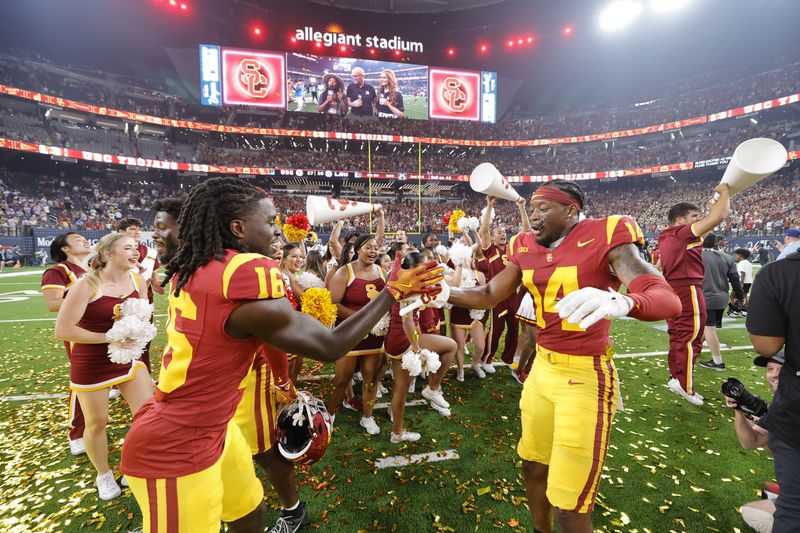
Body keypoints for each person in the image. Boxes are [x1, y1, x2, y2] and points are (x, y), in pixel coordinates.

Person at [119, 177, 441, 532]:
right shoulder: (243, 271)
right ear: (238, 227)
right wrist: (392, 293)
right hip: (176, 443)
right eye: (270, 221)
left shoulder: (197, 265)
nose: (277, 230)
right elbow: (330, 346)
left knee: (249, 513)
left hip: (214, 426)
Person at [444, 180, 681, 533]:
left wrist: (624, 301)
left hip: (586, 376)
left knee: (570, 503)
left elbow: (667, 298)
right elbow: (489, 293)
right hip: (542, 371)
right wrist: (443, 291)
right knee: (533, 466)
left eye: (544, 208)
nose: (534, 216)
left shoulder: (606, 234)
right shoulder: (523, 245)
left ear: (571, 210)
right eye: (533, 208)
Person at [54, 233, 154, 500]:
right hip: (91, 361)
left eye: (137, 248)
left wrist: (137, 333)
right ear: (108, 254)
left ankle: (133, 467)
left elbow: (144, 314)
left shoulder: (137, 280)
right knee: (97, 422)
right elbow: (63, 329)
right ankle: (103, 474)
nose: (135, 252)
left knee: (147, 416)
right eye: (128, 248)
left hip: (129, 357)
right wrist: (110, 337)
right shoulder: (86, 285)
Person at [658, 185, 731, 405]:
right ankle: (684, 384)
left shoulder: (668, 235)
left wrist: (712, 207)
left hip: (674, 288)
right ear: (680, 220)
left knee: (679, 335)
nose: (698, 220)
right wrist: (725, 191)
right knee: (691, 336)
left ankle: (677, 378)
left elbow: (707, 227)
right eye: (694, 216)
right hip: (687, 288)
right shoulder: (682, 233)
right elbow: (720, 216)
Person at [746, 246, 800, 533]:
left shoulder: (780, 273)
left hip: (795, 412)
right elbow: (751, 440)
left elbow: (766, 346)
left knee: (788, 511)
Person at [385, 252, 458, 438]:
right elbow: (407, 319)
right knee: (450, 346)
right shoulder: (409, 284)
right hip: (404, 338)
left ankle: (397, 430)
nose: (429, 269)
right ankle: (432, 389)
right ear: (415, 268)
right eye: (425, 266)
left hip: (393, 338)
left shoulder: (402, 279)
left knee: (400, 387)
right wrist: (418, 351)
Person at [327, 234, 388, 435]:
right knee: (342, 379)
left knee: (371, 378)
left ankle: (367, 417)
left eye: (376, 248)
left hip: (375, 335)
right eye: (368, 247)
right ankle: (331, 414)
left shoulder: (382, 271)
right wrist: (361, 318)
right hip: (350, 333)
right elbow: (334, 303)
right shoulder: (345, 272)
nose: (373, 251)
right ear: (358, 249)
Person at [41, 232, 92, 456]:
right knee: (82, 381)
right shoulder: (58, 270)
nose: (84, 240)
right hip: (79, 332)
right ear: (65, 248)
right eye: (77, 239)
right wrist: (83, 293)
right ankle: (77, 432)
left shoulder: (90, 269)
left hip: (101, 328)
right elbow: (52, 304)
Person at [724, 351, 783, 533]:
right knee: (750, 510)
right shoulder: (779, 406)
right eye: (770, 369)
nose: (774, 375)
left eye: (782, 370)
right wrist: (740, 410)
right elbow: (750, 442)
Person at [477, 196, 519, 371]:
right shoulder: (490, 250)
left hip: (513, 294)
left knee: (514, 328)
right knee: (496, 329)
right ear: (492, 238)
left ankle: (508, 357)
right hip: (497, 295)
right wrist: (489, 206)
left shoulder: (512, 248)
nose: (503, 234)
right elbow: (484, 230)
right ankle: (487, 359)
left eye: (504, 232)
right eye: (499, 233)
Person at [118, 217, 161, 372]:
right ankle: (117, 379)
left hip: (144, 301)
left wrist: (161, 285)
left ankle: (143, 374)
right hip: (119, 299)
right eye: (132, 229)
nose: (137, 232)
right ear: (121, 232)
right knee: (121, 339)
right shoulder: (111, 250)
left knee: (143, 339)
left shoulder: (150, 251)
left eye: (138, 228)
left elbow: (155, 280)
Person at [698, 233, 744, 372]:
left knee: (709, 328)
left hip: (706, 296)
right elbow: (735, 279)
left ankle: (718, 362)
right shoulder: (726, 257)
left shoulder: (695, 255)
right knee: (708, 328)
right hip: (721, 297)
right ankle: (695, 349)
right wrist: (740, 296)